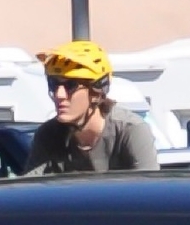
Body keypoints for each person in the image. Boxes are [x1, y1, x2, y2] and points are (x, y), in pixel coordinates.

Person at [25, 41, 160, 174]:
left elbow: (149, 192)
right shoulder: (48, 135)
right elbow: (28, 190)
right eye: (53, 84)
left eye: (70, 85)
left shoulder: (131, 130)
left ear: (96, 92)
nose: (59, 95)